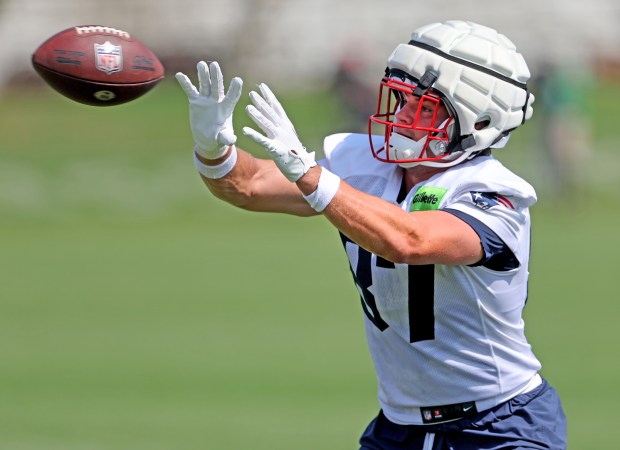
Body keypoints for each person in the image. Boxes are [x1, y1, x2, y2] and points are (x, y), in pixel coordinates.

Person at [176, 20, 567, 450]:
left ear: (477, 120)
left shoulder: (495, 194)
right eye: (401, 99)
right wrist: (214, 148)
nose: (400, 117)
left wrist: (311, 175)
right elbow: (247, 187)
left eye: (422, 107)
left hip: (498, 424)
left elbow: (409, 241)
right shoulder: (365, 166)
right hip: (397, 428)